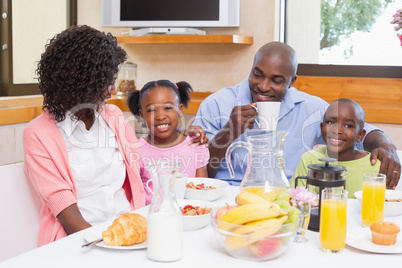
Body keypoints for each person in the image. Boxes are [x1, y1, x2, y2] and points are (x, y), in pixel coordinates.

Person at [193, 41, 401, 188]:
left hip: (290, 196)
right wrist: (228, 133)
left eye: (276, 80)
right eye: (257, 75)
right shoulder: (217, 103)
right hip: (228, 194)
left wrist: (385, 144)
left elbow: (359, 131)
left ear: (292, 82)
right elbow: (198, 173)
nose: (263, 86)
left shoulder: (311, 107)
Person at [22, 25, 147, 246]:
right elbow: (68, 216)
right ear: (81, 82)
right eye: (107, 82)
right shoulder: (38, 135)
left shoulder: (114, 116)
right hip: (82, 243)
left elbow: (141, 173)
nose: (113, 90)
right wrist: (114, 244)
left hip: (132, 233)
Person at [127, 80, 210, 204]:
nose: (160, 116)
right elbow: (135, 199)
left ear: (180, 110)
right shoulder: (136, 150)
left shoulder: (196, 145)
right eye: (151, 110)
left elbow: (202, 195)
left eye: (168, 107)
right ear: (142, 115)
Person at [290, 98, 381, 198]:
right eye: (331, 122)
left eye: (348, 125)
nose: (337, 131)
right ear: (321, 128)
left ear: (360, 135)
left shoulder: (375, 166)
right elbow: (296, 201)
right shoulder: (309, 159)